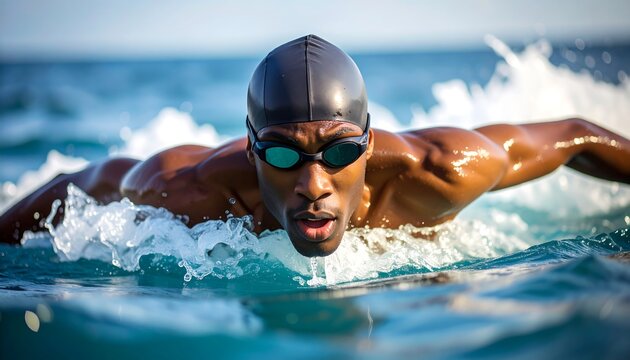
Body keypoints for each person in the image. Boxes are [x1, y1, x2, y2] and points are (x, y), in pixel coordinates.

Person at [1, 35, 629, 257]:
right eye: (280, 155)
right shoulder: (189, 189)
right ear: (250, 152)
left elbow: (579, 136)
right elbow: (89, 182)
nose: (313, 184)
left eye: (337, 154)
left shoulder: (439, 172)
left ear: (370, 141)